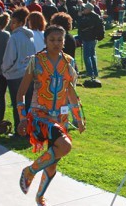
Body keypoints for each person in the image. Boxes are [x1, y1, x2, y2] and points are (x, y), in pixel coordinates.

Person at [16, 25, 86, 205]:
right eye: (52, 40)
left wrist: (78, 118)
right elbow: (21, 92)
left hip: (60, 119)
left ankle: (39, 196)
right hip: (40, 116)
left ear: (64, 41)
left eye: (59, 40)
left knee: (53, 161)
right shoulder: (36, 61)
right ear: (45, 41)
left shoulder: (69, 63)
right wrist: (23, 117)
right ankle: (30, 171)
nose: (56, 43)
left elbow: (71, 94)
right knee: (65, 145)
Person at [2, 8, 36, 133]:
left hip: (16, 75)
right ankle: (28, 129)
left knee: (18, 104)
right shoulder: (29, 37)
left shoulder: (15, 37)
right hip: (28, 73)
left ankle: (20, 130)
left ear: (21, 23)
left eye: (14, 22)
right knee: (28, 104)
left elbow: (10, 57)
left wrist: (5, 70)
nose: (11, 25)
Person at [78, 2, 103, 80]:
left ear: (89, 9)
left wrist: (80, 17)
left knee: (87, 56)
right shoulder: (96, 16)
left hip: (88, 37)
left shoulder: (90, 17)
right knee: (92, 55)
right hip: (93, 38)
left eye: (85, 8)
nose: (83, 10)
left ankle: (90, 72)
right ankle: (95, 72)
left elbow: (82, 25)